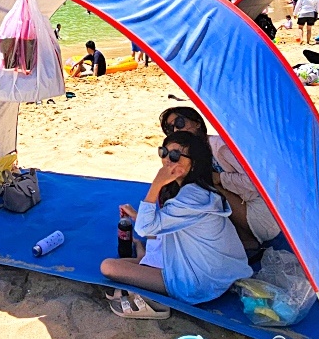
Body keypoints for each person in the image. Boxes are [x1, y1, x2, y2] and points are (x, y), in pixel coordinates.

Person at [100, 131, 251, 308]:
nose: (167, 160)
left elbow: (145, 228)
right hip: (217, 271)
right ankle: (142, 261)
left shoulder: (191, 197)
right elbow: (164, 225)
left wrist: (156, 184)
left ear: (193, 164)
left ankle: (150, 288)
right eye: (164, 152)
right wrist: (137, 216)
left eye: (175, 155)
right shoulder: (197, 190)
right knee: (124, 263)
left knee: (108, 267)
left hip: (199, 282)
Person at [159, 107, 280, 254]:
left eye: (179, 122)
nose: (177, 130)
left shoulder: (220, 146)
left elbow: (255, 183)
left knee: (205, 185)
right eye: (170, 128)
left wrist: (219, 178)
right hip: (243, 205)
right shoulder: (195, 154)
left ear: (197, 123)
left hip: (265, 215)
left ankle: (246, 239)